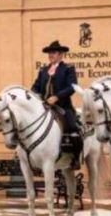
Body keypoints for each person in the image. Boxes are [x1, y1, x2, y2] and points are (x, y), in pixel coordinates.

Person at [31, 40, 81, 168]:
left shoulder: (68, 69)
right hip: (44, 106)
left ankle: (75, 158)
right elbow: (36, 86)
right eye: (49, 53)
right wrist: (33, 95)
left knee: (72, 127)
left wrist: (57, 97)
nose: (50, 55)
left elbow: (72, 86)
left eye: (53, 53)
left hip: (62, 106)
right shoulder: (43, 70)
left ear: (60, 54)